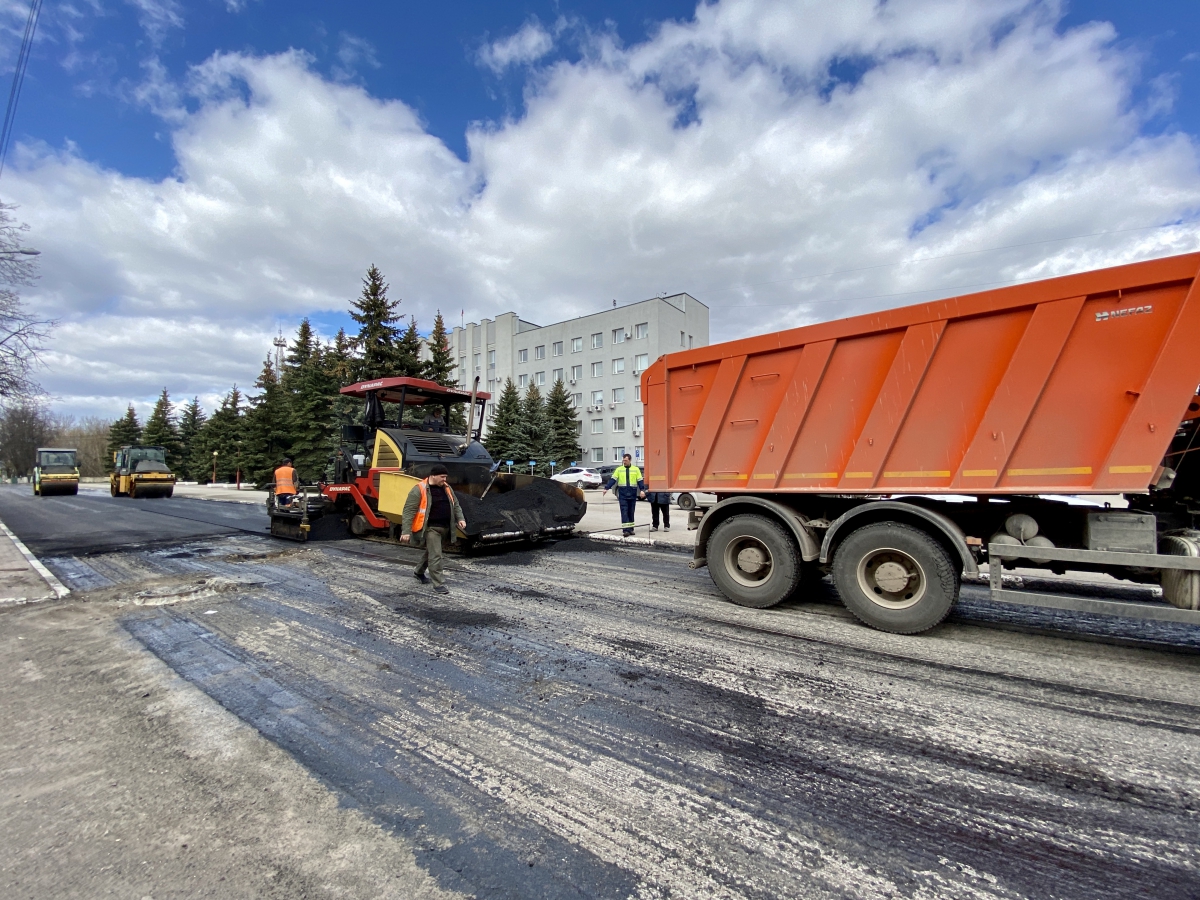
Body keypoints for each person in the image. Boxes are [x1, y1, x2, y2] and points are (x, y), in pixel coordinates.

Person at [400, 463, 466, 594]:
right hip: (431, 529)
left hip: (445, 527)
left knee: (431, 552)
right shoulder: (419, 489)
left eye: (446, 477)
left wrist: (461, 518)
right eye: (442, 477)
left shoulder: (447, 488)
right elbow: (408, 511)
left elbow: (455, 504)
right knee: (436, 555)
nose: (445, 480)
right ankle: (438, 584)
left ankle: (418, 572)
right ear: (433, 476)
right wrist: (406, 531)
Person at [604, 453, 645, 537]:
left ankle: (631, 529)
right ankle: (626, 530)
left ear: (630, 460)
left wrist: (642, 490)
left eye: (626, 460)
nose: (624, 462)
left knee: (631, 511)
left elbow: (640, 481)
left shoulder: (636, 469)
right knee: (624, 511)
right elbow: (613, 479)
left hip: (632, 493)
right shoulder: (619, 469)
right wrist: (606, 488)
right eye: (623, 460)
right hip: (622, 493)